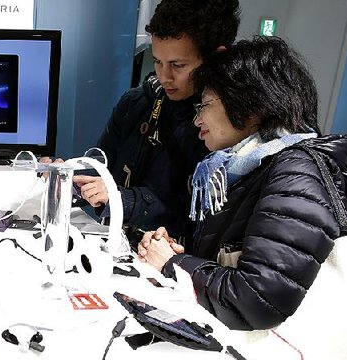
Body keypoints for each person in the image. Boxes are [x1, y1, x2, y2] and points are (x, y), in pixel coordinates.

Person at [137, 37, 347, 330]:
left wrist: (172, 265)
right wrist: (180, 254)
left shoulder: (296, 172)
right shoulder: (246, 168)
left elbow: (256, 299)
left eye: (204, 104)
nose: (197, 119)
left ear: (250, 105)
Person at [73, 0, 241, 241]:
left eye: (178, 65)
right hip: (117, 243)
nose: (164, 76)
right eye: (158, 61)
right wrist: (70, 175)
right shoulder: (136, 102)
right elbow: (101, 165)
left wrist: (127, 200)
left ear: (216, 59)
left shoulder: (230, 125)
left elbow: (207, 215)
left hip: (177, 259)